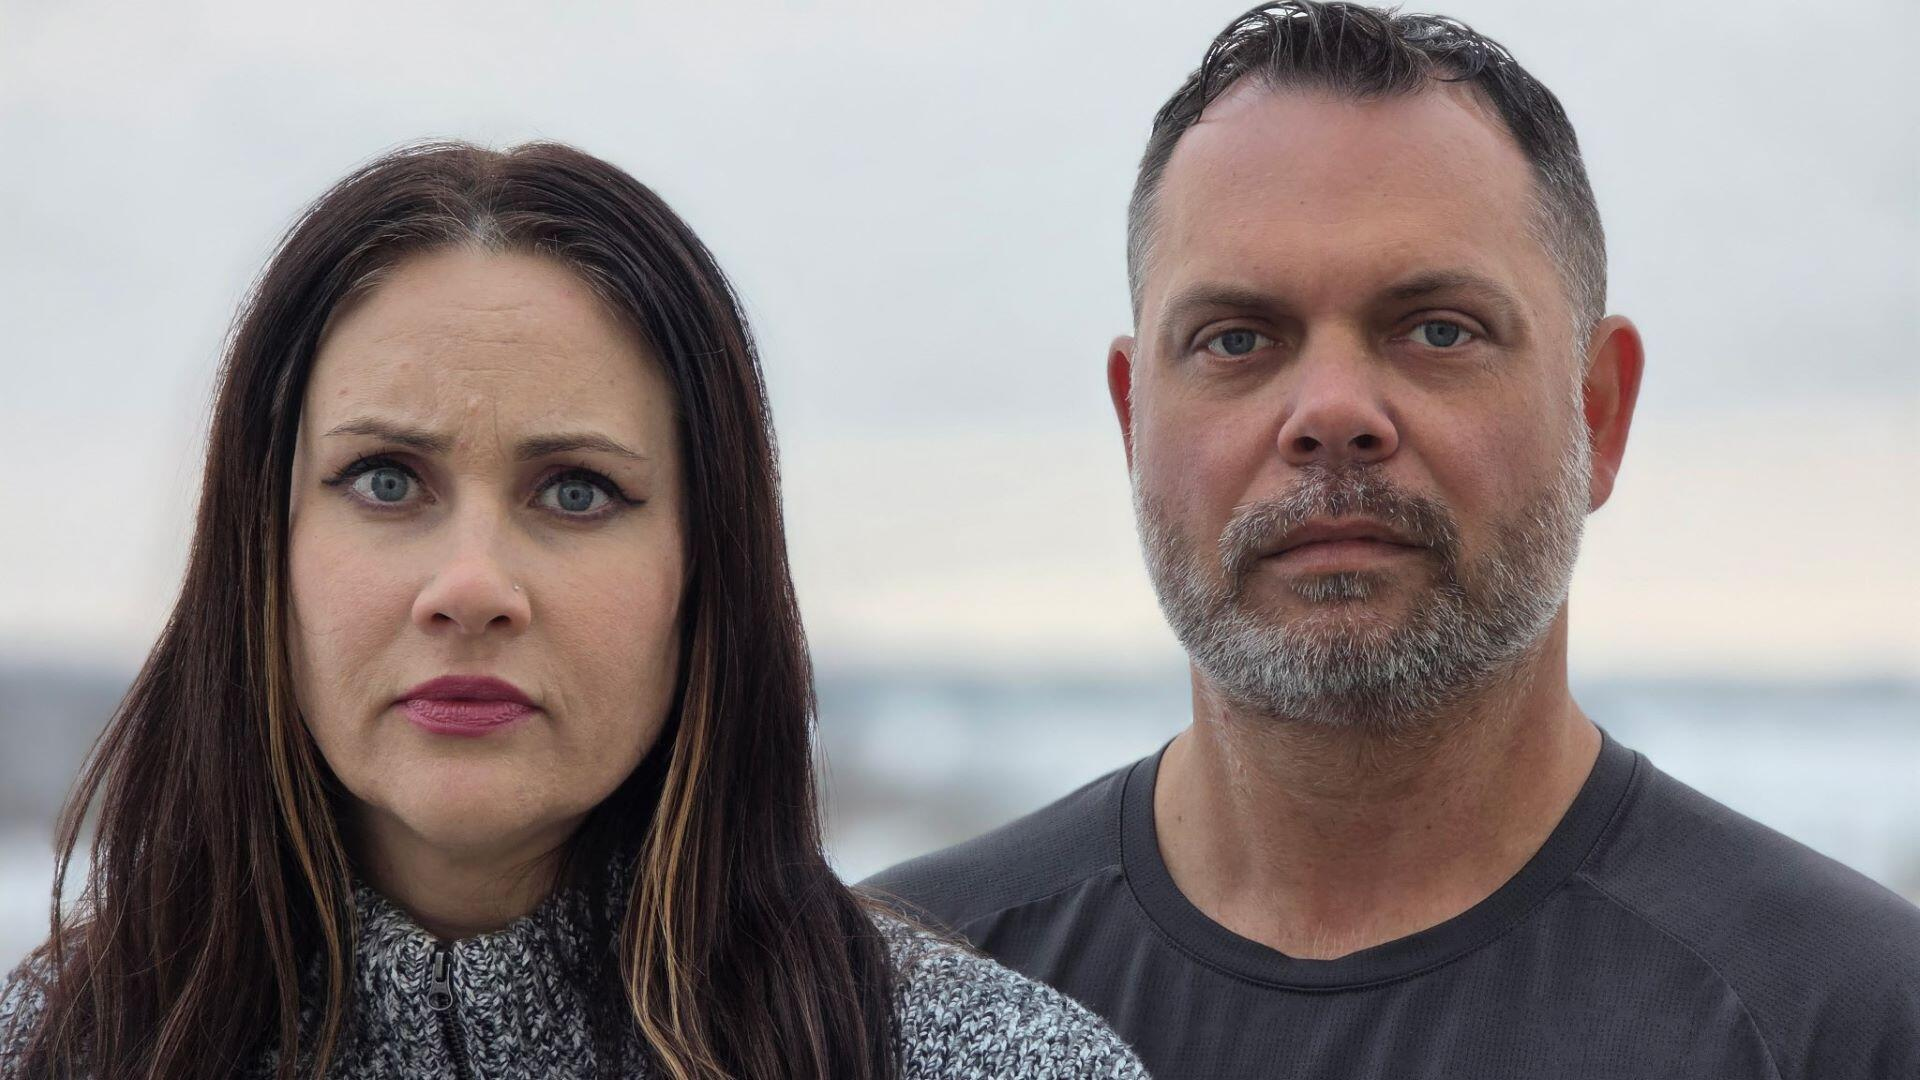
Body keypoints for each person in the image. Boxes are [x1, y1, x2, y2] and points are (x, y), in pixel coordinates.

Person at [865, 3, 1920, 1077]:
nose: (1332, 412)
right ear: (1134, 422)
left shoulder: (1852, 1019)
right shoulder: (877, 1009)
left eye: (1438, 330)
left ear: (1597, 412)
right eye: (1237, 339)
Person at [0, 142, 1148, 1080]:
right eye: (387, 479)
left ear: (707, 572)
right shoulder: (55, 1049)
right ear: (262, 548)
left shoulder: (987, 1062)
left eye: (577, 491)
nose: (470, 588)